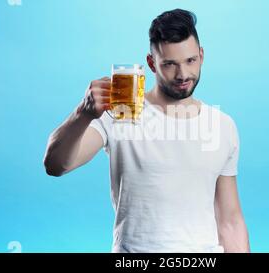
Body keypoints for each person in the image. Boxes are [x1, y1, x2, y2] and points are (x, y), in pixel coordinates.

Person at [43, 8, 250, 253]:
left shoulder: (222, 125)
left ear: (201, 55)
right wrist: (83, 113)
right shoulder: (119, 113)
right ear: (152, 63)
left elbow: (230, 221)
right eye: (170, 64)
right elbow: (56, 165)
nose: (183, 74)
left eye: (190, 61)